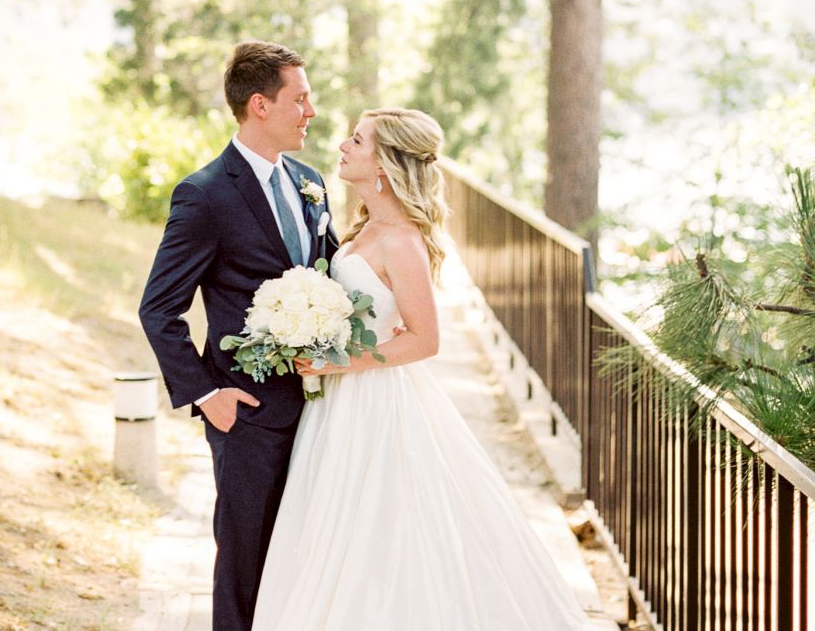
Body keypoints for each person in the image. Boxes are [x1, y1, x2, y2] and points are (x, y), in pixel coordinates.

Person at [251, 107, 591, 630]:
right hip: (338, 405)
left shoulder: (402, 240)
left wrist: (336, 360)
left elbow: (425, 340)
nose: (343, 145)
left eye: (358, 141)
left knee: (380, 531)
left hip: (375, 404)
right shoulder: (365, 226)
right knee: (332, 525)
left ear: (384, 164)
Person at [137, 40, 339, 631]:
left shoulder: (312, 183)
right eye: (300, 99)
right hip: (247, 415)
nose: (312, 111)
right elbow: (159, 309)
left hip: (324, 410)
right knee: (246, 565)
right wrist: (208, 397)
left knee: (306, 559)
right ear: (259, 105)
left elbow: (327, 278)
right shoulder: (205, 195)